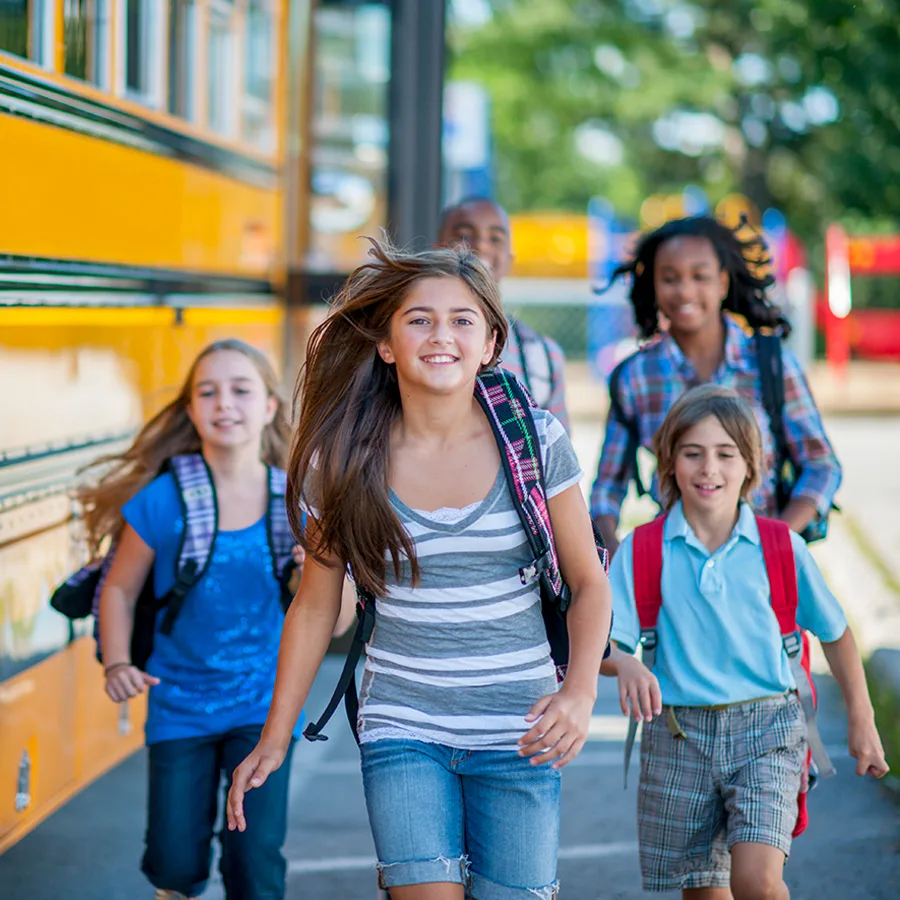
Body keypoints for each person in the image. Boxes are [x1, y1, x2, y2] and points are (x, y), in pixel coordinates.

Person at [226, 240, 612, 900]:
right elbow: (317, 606)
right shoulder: (344, 459)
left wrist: (579, 693)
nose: (442, 335)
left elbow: (588, 582)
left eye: (463, 320)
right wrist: (275, 736)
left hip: (520, 732)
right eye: (420, 319)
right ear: (386, 343)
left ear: (491, 343)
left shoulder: (535, 441)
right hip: (404, 729)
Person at [601, 384, 888, 899]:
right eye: (693, 453)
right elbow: (608, 644)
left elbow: (837, 633)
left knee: (756, 880)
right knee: (704, 892)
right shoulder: (643, 550)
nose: (709, 468)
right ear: (669, 463)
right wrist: (625, 666)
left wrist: (862, 721)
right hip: (678, 735)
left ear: (750, 466)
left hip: (768, 730)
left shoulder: (781, 547)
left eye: (725, 454)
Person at [89, 339, 352, 900]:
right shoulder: (165, 500)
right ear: (190, 411)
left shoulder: (297, 503)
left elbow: (333, 622)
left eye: (240, 390)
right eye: (207, 392)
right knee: (175, 860)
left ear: (269, 407)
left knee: (253, 862)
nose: (223, 403)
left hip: (263, 707)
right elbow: (119, 588)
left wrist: (316, 572)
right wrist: (115, 663)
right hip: (179, 707)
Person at [590, 215, 841, 555]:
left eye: (700, 276)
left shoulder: (770, 365)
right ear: (653, 286)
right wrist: (618, 561)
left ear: (723, 283)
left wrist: (774, 542)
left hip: (763, 570)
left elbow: (821, 464)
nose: (685, 290)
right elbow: (606, 490)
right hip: (674, 570)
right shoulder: (634, 377)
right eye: (669, 278)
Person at [437, 196, 571, 431]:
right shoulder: (413, 342)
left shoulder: (543, 358)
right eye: (465, 235)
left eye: (495, 238)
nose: (482, 245)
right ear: (436, 248)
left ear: (510, 258)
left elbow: (557, 456)